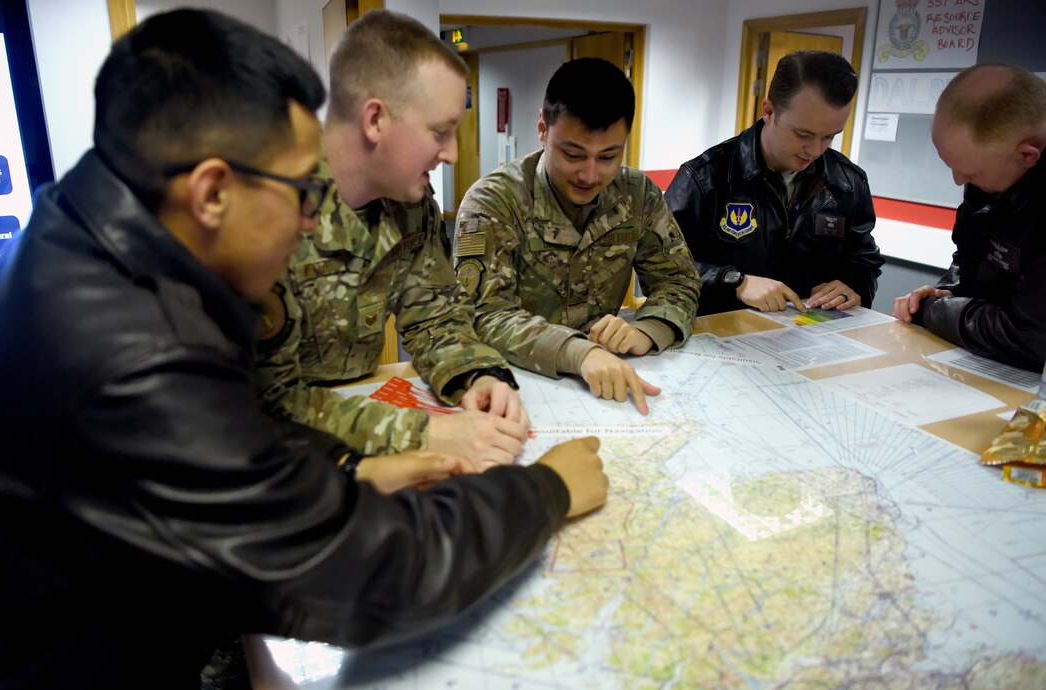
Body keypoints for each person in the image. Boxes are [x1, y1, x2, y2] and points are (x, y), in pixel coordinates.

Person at [0, 10, 608, 688]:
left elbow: (232, 458)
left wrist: (352, 472)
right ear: (213, 191)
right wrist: (546, 490)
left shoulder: (87, 232)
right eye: (300, 191)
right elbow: (365, 573)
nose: (310, 219)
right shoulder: (134, 353)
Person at [258, 10, 529, 472]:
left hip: (357, 416)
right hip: (279, 460)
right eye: (440, 132)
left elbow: (436, 315)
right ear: (375, 119)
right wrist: (423, 434)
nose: (452, 154)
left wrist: (477, 374)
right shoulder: (265, 206)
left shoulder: (411, 204)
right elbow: (266, 397)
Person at [454, 58, 701, 415]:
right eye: (573, 154)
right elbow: (482, 314)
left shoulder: (637, 194)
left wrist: (648, 330)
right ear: (543, 128)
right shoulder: (495, 200)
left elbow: (679, 281)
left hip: (607, 379)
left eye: (608, 156)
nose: (589, 174)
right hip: (517, 384)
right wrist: (578, 352)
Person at [665, 50, 883, 315]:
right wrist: (734, 281)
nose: (815, 150)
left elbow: (864, 260)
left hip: (808, 333)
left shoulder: (847, 183)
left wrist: (854, 285)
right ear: (768, 111)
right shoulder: (704, 178)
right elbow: (662, 268)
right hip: (721, 333)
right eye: (803, 134)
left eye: (829, 137)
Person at [893, 63, 1046, 372]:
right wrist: (950, 291)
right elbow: (971, 255)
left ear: (1027, 155)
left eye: (972, 173)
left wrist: (935, 311)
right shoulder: (996, 176)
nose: (958, 180)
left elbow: (1030, 336)